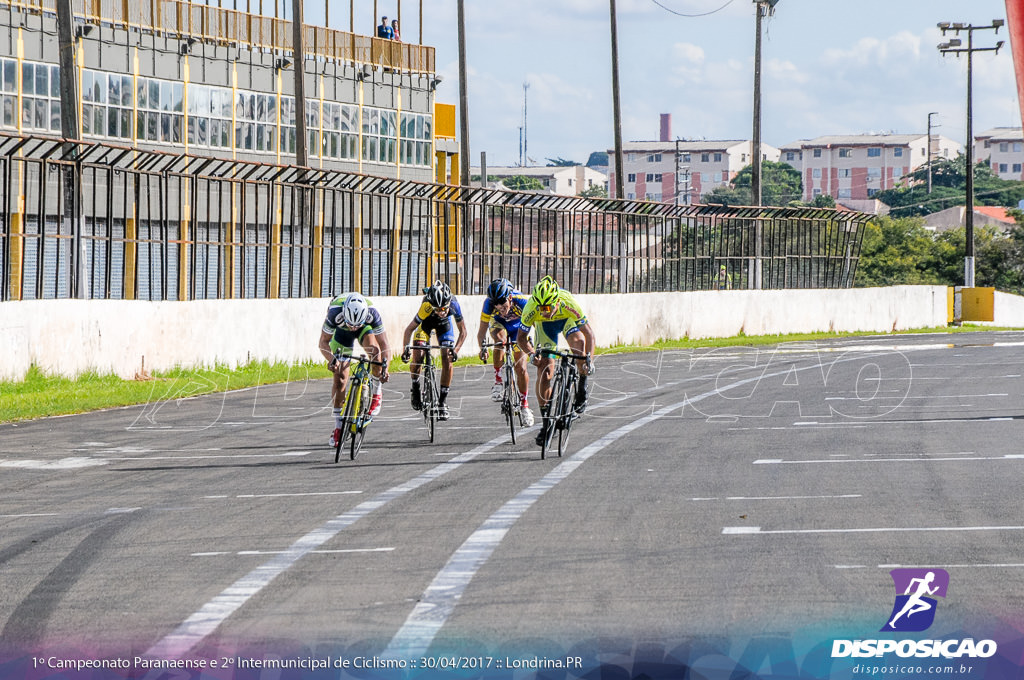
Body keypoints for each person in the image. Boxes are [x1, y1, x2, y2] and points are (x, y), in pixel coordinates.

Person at [516, 276, 596, 446]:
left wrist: (589, 360)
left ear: (557, 302)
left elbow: (589, 334)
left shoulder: (568, 302)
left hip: (566, 320)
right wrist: (531, 353)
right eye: (541, 307)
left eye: (548, 307)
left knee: (579, 345)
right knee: (545, 373)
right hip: (545, 328)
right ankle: (546, 424)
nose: (544, 311)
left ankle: (582, 385)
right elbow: (521, 338)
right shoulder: (531, 308)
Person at [318, 292, 391, 448]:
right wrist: (332, 359)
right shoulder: (335, 313)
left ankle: (376, 392)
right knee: (340, 379)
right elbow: (323, 343)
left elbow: (385, 345)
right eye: (351, 324)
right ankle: (338, 427)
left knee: (376, 354)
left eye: (356, 324)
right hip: (341, 333)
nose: (353, 328)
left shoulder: (372, 313)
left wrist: (385, 368)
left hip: (365, 330)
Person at [401, 280, 467, 421]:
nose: (441, 312)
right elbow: (409, 330)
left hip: (444, 327)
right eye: (437, 309)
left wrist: (456, 350)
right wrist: (406, 349)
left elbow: (463, 332)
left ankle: (442, 403)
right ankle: (415, 386)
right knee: (417, 358)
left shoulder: (454, 304)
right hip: (426, 325)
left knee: (447, 359)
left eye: (444, 309)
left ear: (448, 303)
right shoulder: (426, 306)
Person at [477, 278, 535, 426]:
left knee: (521, 368)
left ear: (510, 297)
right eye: (496, 304)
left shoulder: (522, 301)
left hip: (518, 327)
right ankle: (498, 381)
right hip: (499, 324)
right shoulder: (489, 305)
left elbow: (536, 324)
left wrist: (535, 345)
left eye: (502, 303)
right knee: (499, 339)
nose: (499, 307)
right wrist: (482, 348)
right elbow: (481, 332)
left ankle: (525, 406)